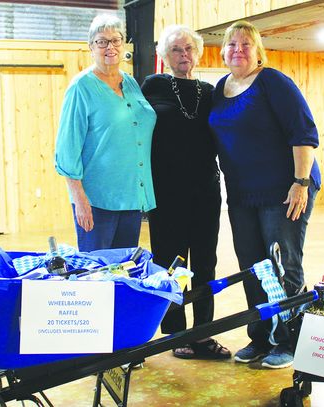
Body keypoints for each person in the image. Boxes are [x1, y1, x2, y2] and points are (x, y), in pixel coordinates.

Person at [209, 20, 321, 369]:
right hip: (242, 193)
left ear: (258, 52)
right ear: (223, 51)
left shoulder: (273, 82)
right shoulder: (219, 88)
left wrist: (301, 182)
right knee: (253, 267)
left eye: (245, 44)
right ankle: (260, 337)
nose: (238, 50)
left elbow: (303, 132)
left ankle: (289, 340)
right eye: (231, 45)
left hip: (284, 189)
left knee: (283, 264)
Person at [141, 25, 230, 360]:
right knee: (171, 263)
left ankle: (204, 333)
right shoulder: (154, 85)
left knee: (206, 264)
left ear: (199, 53)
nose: (183, 55)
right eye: (176, 49)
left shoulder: (210, 91)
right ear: (165, 55)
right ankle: (175, 332)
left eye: (189, 48)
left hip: (206, 190)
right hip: (165, 193)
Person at [55, 14, 157, 252]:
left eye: (116, 40)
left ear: (123, 45)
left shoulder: (130, 83)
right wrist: (80, 200)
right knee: (97, 276)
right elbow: (67, 150)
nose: (110, 47)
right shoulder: (81, 87)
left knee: (122, 272)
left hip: (130, 196)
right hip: (96, 201)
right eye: (102, 41)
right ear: (91, 47)